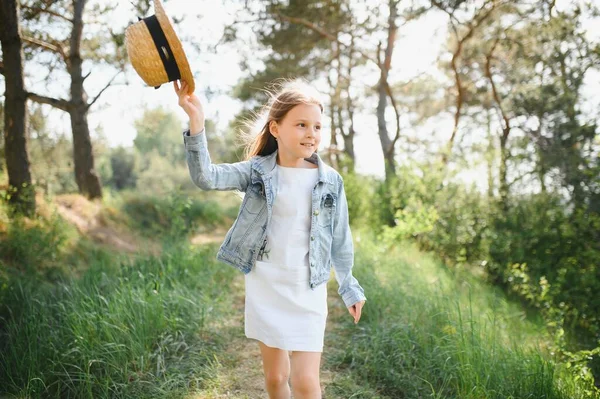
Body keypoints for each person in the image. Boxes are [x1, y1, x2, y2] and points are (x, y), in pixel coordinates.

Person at [174, 78, 366, 399]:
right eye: (302, 124)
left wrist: (348, 285)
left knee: (306, 383)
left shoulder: (330, 180)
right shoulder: (256, 172)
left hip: (308, 289)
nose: (311, 134)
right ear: (275, 129)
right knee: (276, 378)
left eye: (317, 126)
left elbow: (340, 238)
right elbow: (206, 177)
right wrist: (196, 124)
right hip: (268, 285)